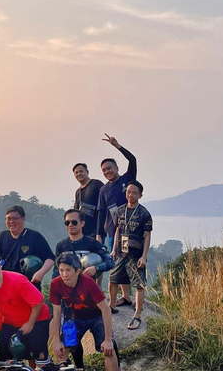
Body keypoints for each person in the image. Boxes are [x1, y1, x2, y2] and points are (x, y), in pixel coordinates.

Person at [0, 252, 51, 368]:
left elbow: (39, 301)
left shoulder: (17, 280)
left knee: (37, 356)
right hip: (11, 321)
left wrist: (30, 324)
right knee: (5, 356)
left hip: (37, 318)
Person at [50, 252, 119, 371]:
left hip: (96, 316)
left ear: (78, 271)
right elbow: (57, 314)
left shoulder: (87, 282)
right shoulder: (56, 284)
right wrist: (56, 340)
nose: (64, 274)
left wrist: (108, 340)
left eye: (68, 270)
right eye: (61, 270)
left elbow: (105, 309)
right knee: (61, 350)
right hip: (76, 317)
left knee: (108, 350)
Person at [95, 134, 137, 309]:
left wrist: (117, 146)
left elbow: (133, 160)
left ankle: (130, 296)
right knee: (118, 261)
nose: (107, 171)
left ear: (116, 167)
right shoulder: (104, 189)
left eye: (109, 168)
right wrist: (100, 235)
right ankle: (126, 296)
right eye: (104, 170)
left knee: (129, 262)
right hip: (113, 232)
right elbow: (102, 212)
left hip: (131, 230)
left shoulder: (127, 180)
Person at [109, 180, 152, 330]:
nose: (130, 195)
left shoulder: (144, 213)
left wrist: (144, 256)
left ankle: (137, 315)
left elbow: (147, 235)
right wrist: (114, 249)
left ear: (140, 195)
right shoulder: (120, 210)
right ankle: (112, 307)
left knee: (139, 284)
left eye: (134, 192)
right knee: (113, 279)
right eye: (128, 191)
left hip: (135, 253)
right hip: (121, 252)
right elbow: (117, 231)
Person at [0, 205, 55, 289]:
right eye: (8, 218)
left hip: (29, 285)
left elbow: (50, 258)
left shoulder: (34, 237)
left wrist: (41, 272)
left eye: (15, 218)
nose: (11, 221)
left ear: (23, 219)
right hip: (7, 285)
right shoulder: (2, 236)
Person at [54, 209, 114, 284]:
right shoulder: (61, 245)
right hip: (67, 290)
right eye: (67, 222)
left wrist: (96, 268)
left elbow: (110, 262)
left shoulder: (93, 243)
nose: (70, 225)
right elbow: (56, 270)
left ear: (82, 223)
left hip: (87, 289)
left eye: (74, 222)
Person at [72, 163, 104, 238]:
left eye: (81, 171)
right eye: (76, 173)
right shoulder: (78, 192)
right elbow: (76, 211)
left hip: (97, 229)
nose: (79, 174)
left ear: (87, 172)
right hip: (83, 231)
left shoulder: (96, 184)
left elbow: (105, 203)